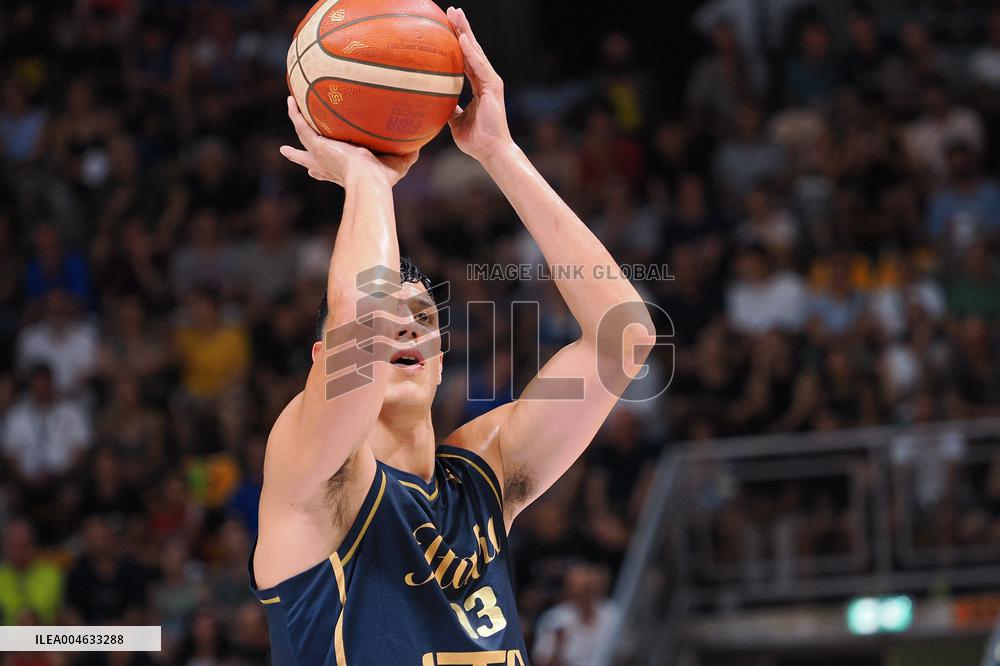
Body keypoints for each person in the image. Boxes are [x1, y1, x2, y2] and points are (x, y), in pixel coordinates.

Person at [249, 7, 656, 665]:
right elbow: (364, 321)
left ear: (440, 362)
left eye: (426, 318)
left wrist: (500, 151)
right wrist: (365, 178)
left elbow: (624, 340)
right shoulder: (313, 475)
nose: (407, 322)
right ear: (321, 361)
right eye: (396, 312)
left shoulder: (480, 479)